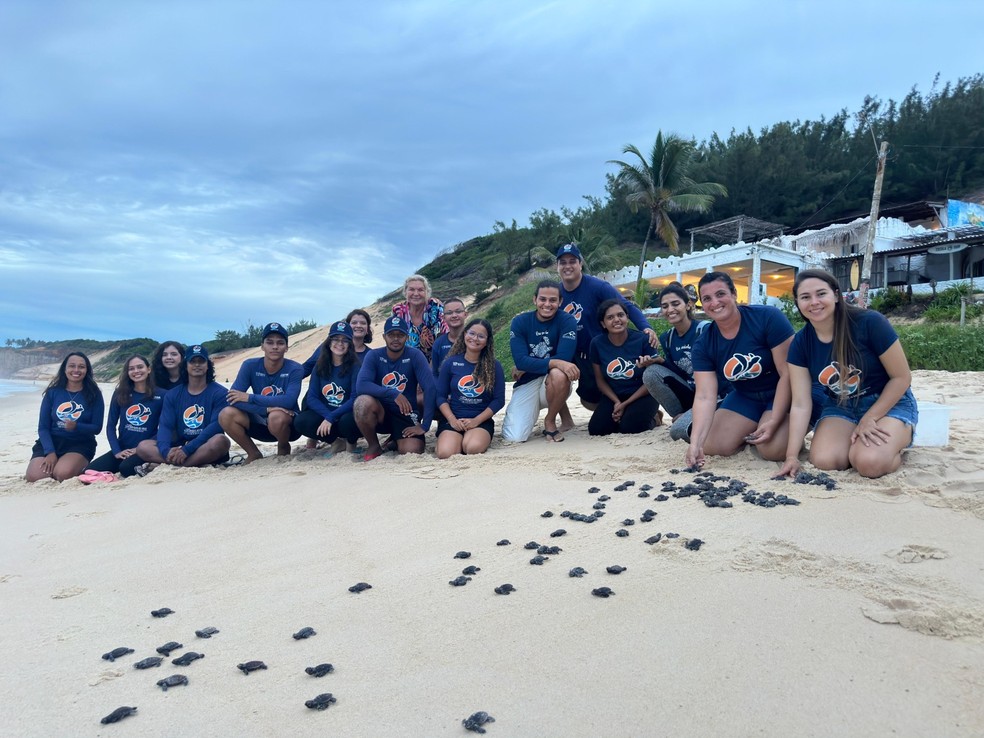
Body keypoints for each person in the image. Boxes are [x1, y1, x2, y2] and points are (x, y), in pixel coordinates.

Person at [779, 268, 918, 479]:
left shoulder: (870, 322)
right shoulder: (801, 342)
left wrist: (870, 417)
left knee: (869, 463)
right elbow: (800, 403)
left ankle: (895, 446)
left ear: (836, 295)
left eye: (821, 293)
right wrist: (791, 456)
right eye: (805, 297)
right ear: (797, 303)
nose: (814, 302)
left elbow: (902, 377)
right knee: (825, 460)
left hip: (887, 402)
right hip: (841, 405)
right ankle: (858, 445)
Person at [685, 271, 796, 469]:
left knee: (772, 450)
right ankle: (756, 425)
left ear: (734, 294)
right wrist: (695, 443)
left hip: (787, 390)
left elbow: (788, 374)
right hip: (747, 396)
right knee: (712, 444)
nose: (715, 302)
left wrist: (775, 418)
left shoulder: (767, 318)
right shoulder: (703, 344)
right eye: (707, 299)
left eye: (721, 294)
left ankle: (782, 428)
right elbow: (704, 396)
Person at [556, 243, 659, 412]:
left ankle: (637, 409)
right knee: (587, 400)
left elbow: (626, 305)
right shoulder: (556, 293)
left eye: (572, 261)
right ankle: (566, 418)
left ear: (580, 264)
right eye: (563, 262)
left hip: (601, 351)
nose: (568, 266)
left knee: (612, 390)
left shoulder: (598, 287)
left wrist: (645, 327)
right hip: (572, 352)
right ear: (557, 266)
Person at [501, 280, 579, 443]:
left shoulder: (567, 320)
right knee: (514, 437)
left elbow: (564, 357)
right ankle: (561, 413)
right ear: (534, 300)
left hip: (552, 380)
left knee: (558, 374)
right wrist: (554, 362)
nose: (547, 304)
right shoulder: (520, 322)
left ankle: (550, 420)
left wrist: (531, 364)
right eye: (543, 299)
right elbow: (521, 362)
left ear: (560, 302)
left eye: (553, 300)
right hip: (527, 381)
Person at [354, 316, 436, 460]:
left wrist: (425, 425)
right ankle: (374, 445)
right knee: (362, 402)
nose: (396, 339)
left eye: (400, 335)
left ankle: (394, 441)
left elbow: (430, 388)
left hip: (405, 412)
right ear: (384, 337)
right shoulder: (374, 355)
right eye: (391, 335)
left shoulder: (415, 355)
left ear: (407, 337)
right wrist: (393, 394)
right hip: (380, 413)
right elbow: (361, 385)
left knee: (412, 451)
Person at [220, 322, 303, 463]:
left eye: (280, 343)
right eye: (269, 342)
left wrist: (250, 397)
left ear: (287, 347)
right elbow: (232, 398)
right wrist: (266, 409)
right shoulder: (250, 365)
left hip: (289, 425)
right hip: (260, 421)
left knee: (276, 416)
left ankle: (283, 446)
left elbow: (288, 401)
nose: (275, 347)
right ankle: (253, 453)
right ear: (262, 346)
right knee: (226, 414)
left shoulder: (295, 368)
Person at [137, 344, 230, 467]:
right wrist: (166, 451)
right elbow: (166, 426)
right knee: (143, 446)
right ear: (185, 365)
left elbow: (216, 426)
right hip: (181, 444)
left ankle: (175, 464)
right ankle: (186, 463)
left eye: (201, 361)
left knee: (221, 441)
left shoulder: (220, 393)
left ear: (208, 365)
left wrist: (187, 450)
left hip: (205, 444)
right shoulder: (173, 394)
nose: (197, 365)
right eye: (192, 361)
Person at [26, 352, 105, 482]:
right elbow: (43, 428)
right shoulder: (53, 392)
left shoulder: (94, 394)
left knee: (62, 474)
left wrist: (76, 426)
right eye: (72, 366)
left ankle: (74, 464)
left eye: (81, 367)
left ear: (87, 370)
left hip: (80, 443)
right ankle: (57, 460)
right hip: (52, 441)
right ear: (65, 369)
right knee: (35, 477)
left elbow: (97, 428)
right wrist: (50, 452)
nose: (76, 370)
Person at [588, 300, 662, 436]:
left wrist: (625, 404)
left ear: (627, 318)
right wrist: (617, 402)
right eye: (610, 317)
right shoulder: (597, 343)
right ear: (603, 324)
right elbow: (600, 380)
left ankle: (655, 418)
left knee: (630, 428)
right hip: (614, 395)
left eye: (620, 315)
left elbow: (652, 379)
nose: (617, 320)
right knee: (597, 429)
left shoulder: (643, 340)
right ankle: (628, 413)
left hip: (643, 394)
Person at [435, 318, 505, 458]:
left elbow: (499, 400)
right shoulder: (451, 363)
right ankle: (454, 439)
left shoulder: (494, 366)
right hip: (454, 419)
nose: (475, 338)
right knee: (445, 453)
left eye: (481, 336)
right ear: (465, 334)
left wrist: (476, 421)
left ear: (487, 341)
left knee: (472, 448)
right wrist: (452, 420)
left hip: (480, 421)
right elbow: (440, 396)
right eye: (472, 333)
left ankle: (468, 438)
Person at [87, 355, 166, 478]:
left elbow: (165, 428)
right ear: (127, 372)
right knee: (89, 471)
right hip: (123, 447)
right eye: (131, 368)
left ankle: (152, 465)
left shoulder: (162, 395)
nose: (136, 371)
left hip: (145, 450)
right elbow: (111, 426)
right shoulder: (120, 392)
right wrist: (117, 451)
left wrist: (140, 449)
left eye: (140, 367)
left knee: (125, 468)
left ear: (149, 369)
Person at [643, 282, 711, 420]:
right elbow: (679, 374)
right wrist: (662, 362)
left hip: (713, 395)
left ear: (688, 305)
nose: (670, 309)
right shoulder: (667, 338)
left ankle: (692, 418)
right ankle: (681, 415)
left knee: (681, 429)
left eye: (675, 304)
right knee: (650, 373)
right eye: (665, 306)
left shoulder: (705, 330)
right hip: (690, 392)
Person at [294, 321, 363, 452]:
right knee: (301, 421)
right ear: (329, 342)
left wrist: (332, 416)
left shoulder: (355, 366)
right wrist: (328, 416)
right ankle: (336, 442)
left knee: (350, 421)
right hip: (326, 416)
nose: (340, 344)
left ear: (350, 344)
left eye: (345, 340)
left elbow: (354, 398)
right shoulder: (319, 365)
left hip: (345, 415)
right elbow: (312, 397)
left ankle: (351, 443)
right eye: (336, 339)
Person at [301, 309, 373, 379]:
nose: (358, 325)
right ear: (347, 326)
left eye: (363, 323)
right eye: (354, 323)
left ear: (368, 328)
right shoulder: (330, 348)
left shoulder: (371, 355)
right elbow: (307, 367)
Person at [391, 274, 447, 361]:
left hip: (436, 360)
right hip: (406, 361)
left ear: (427, 292)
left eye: (420, 290)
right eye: (411, 289)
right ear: (405, 292)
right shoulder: (398, 311)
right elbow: (392, 339)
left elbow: (445, 335)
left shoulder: (435, 307)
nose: (416, 294)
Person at [431, 297, 467, 377]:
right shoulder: (439, 343)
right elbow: (434, 373)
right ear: (443, 318)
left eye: (458, 311)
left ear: (465, 314)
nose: (454, 315)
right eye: (449, 313)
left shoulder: (474, 340)